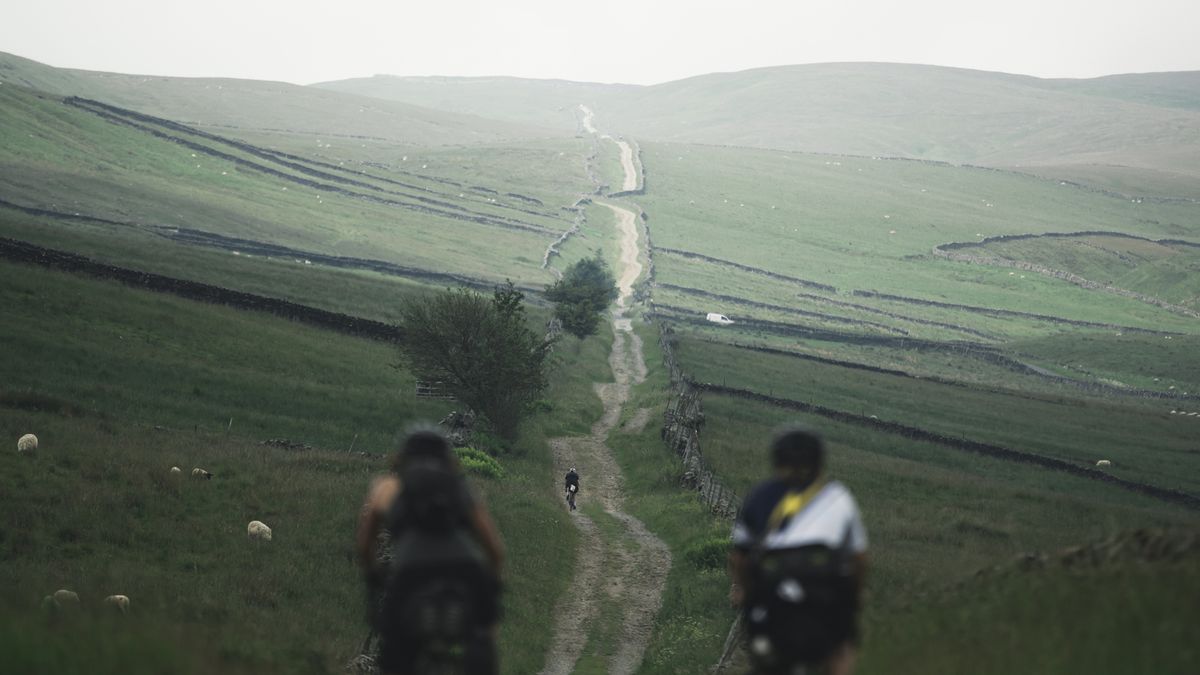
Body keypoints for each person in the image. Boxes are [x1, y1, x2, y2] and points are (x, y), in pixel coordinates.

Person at [356, 428, 505, 675]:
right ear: (447, 459)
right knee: (483, 630)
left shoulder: (387, 487)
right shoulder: (459, 487)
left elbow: (364, 544)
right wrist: (493, 583)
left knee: (394, 642)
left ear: (401, 459)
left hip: (411, 571)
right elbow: (494, 549)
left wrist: (374, 574)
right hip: (465, 568)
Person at [729, 427, 868, 675]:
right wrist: (854, 597)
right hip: (824, 596)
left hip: (770, 593)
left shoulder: (759, 495)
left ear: (777, 459)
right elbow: (858, 557)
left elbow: (740, 555)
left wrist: (743, 590)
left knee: (760, 650)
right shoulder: (838, 497)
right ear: (818, 461)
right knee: (842, 645)